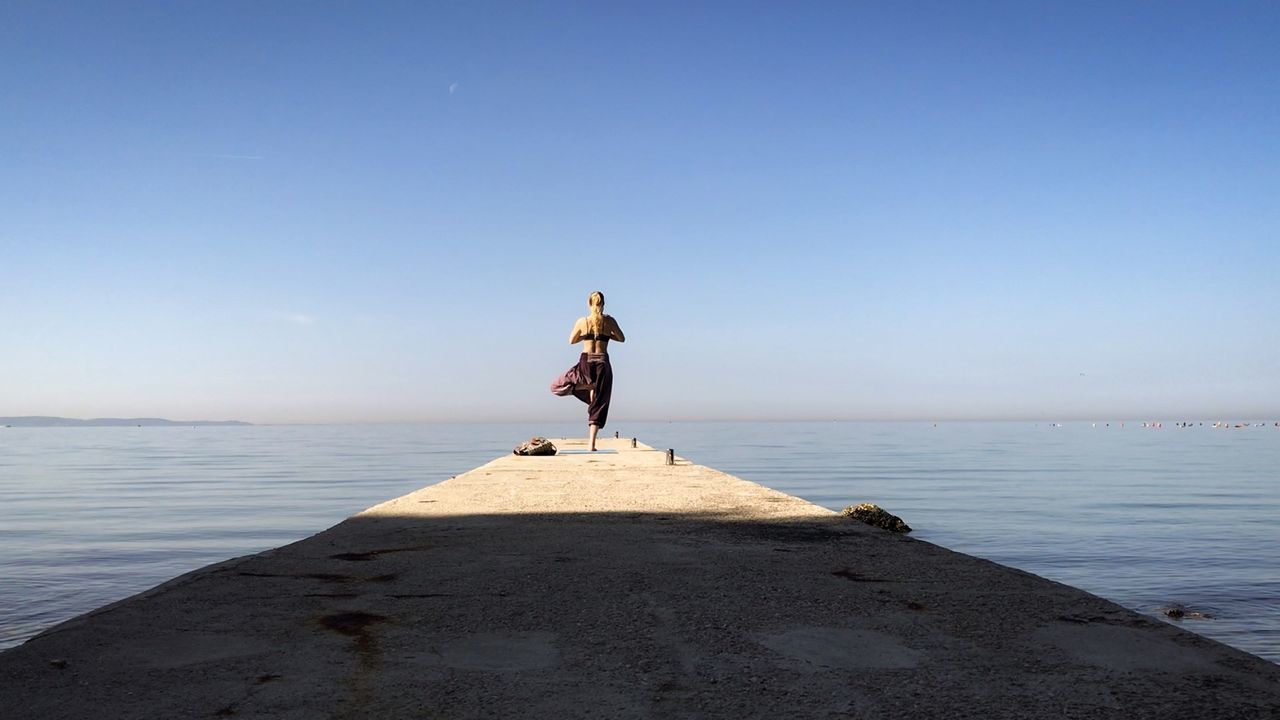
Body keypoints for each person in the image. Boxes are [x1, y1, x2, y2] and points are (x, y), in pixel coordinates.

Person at [565, 291, 624, 451]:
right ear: (603, 303)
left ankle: (586, 388)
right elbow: (621, 338)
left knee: (558, 385)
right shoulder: (609, 321)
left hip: (586, 361)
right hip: (602, 361)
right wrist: (608, 335)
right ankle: (591, 444)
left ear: (589, 304)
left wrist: (585, 335)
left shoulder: (582, 321)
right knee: (600, 402)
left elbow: (571, 340)